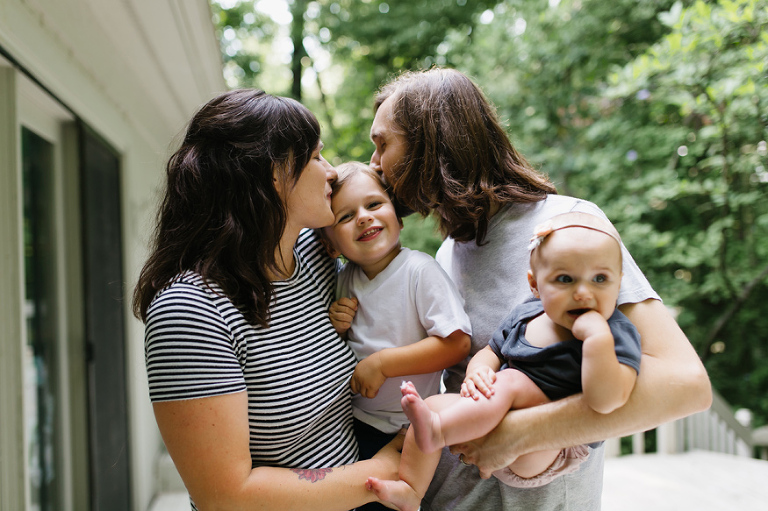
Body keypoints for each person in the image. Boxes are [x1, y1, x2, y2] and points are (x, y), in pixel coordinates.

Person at [367, 67, 712, 510]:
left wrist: (521, 435)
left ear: (432, 141)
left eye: (382, 143)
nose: (374, 162)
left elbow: (687, 385)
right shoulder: (449, 253)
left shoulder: (568, 230)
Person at [132, 89, 403, 511]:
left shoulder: (316, 250)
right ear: (273, 175)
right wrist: (382, 470)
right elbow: (224, 495)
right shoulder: (190, 310)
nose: (331, 172)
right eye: (315, 157)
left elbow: (397, 219)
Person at [368, 212, 642, 510]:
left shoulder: (616, 331)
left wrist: (597, 342)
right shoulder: (527, 314)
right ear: (535, 285)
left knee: (511, 381)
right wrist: (479, 372)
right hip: (490, 421)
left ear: (619, 283)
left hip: (546, 448)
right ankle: (411, 489)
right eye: (564, 279)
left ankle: (438, 431)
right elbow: (491, 352)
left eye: (600, 279)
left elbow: (606, 403)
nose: (583, 292)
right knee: (434, 403)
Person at [321, 161, 472, 465]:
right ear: (331, 245)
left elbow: (457, 343)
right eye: (346, 216)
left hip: (405, 430)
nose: (364, 218)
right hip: (351, 424)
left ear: (398, 219)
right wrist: (338, 325)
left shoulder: (419, 271)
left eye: (374, 204)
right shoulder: (344, 278)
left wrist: (383, 364)